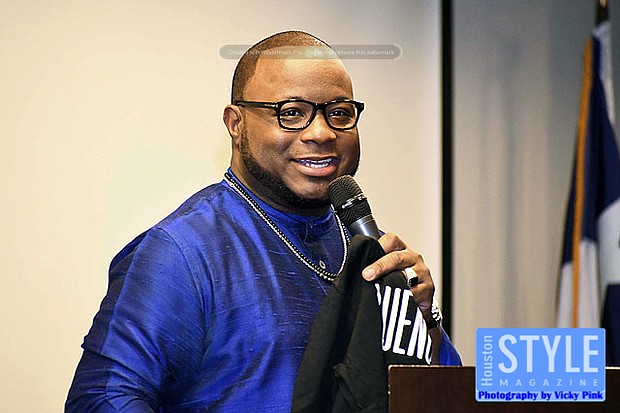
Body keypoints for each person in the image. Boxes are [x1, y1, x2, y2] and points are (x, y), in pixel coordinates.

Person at [66, 30, 460, 413]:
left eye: (339, 113)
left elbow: (444, 397)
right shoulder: (182, 252)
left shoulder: (368, 250)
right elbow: (101, 399)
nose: (321, 132)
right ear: (235, 123)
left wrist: (427, 323)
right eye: (291, 113)